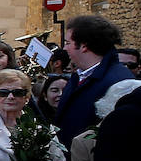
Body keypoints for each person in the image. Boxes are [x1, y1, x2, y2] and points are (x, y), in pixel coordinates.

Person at [55, 14, 133, 149]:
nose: (64, 48)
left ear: (84, 46)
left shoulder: (120, 83)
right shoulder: (79, 77)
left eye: (68, 43)